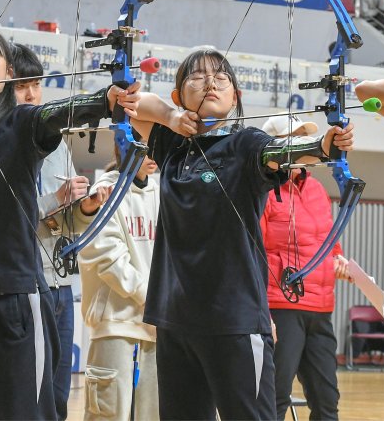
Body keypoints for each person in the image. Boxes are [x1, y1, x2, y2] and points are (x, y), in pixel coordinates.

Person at [0, 23, 130, 420]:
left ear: (8, 71)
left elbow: (58, 113)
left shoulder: (23, 123)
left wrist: (108, 98)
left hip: (14, 298)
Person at [130, 47, 354, 420]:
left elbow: (280, 152)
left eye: (221, 78)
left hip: (233, 320)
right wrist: (170, 117)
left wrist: (324, 146)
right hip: (175, 320)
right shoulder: (171, 145)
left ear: (236, 95)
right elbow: (134, 104)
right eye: (197, 77)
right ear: (178, 95)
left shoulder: (245, 143)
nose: (210, 83)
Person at [13, 44, 89, 420]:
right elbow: (3, 216)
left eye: (37, 84)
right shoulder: (1, 144)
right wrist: (51, 201)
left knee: (59, 397)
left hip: (61, 285)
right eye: (21, 85)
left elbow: (69, 218)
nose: (31, 94)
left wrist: (83, 205)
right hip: (24, 286)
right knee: (29, 396)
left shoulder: (57, 144)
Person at [260, 114, 351, 421]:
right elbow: (252, 252)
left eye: (302, 138)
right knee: (275, 398)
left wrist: (338, 260)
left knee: (327, 403)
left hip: (321, 309)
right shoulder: (263, 192)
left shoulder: (316, 191)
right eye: (292, 138)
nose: (300, 146)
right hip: (280, 309)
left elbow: (329, 242)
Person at [77, 137, 160, 421]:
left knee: (153, 415)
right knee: (108, 414)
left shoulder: (161, 191)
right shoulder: (104, 190)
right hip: (115, 325)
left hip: (155, 326)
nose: (153, 153)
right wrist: (149, 298)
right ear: (124, 147)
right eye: (146, 145)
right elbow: (106, 257)